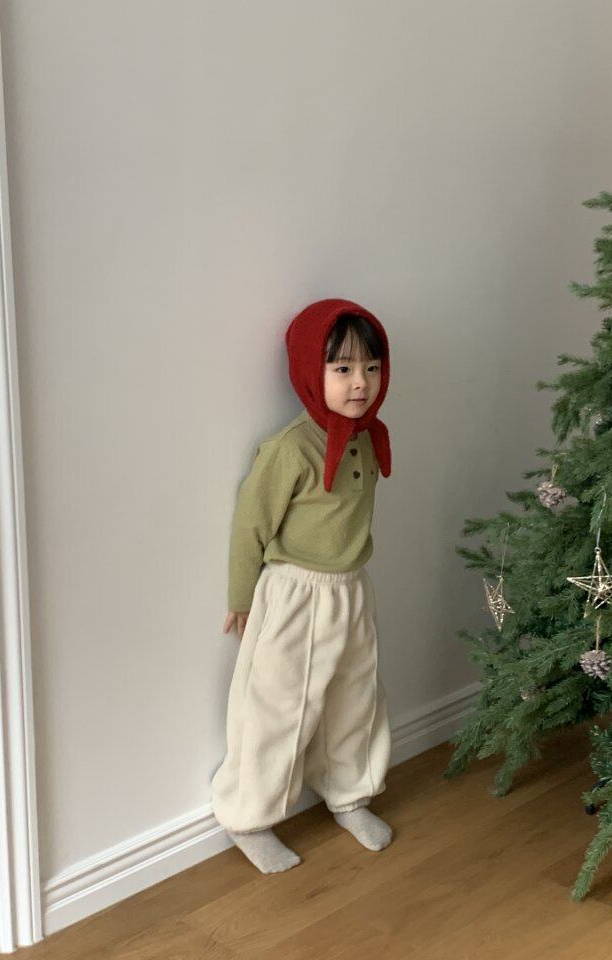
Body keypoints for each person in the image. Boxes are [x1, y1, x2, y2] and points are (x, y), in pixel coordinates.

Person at [211, 298, 393, 874]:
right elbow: (251, 526)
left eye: (371, 367)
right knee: (278, 708)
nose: (360, 382)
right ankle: (250, 815)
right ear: (311, 371)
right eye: (343, 369)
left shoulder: (368, 438)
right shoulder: (290, 448)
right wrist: (241, 598)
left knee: (353, 699)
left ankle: (350, 794)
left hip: (350, 588)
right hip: (296, 592)